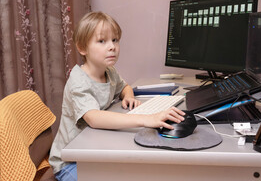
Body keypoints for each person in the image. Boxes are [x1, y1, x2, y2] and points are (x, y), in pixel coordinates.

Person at [49, 11, 185, 181]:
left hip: (93, 150)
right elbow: (94, 118)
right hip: (71, 162)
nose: (112, 46)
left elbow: (125, 86)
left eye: (115, 40)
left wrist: (128, 96)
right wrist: (146, 118)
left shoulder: (109, 71)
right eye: (102, 41)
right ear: (82, 48)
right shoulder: (78, 81)